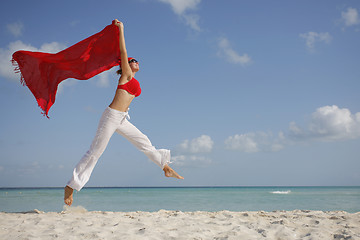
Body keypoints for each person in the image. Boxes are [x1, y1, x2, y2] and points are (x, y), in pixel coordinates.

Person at [64, 19, 183, 206]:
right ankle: (71, 186)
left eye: (136, 61)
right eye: (131, 61)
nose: (135, 62)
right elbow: (124, 52)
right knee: (96, 151)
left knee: (143, 141)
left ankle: (165, 167)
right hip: (111, 116)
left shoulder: (134, 79)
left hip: (122, 118)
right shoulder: (126, 75)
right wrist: (121, 29)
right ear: (125, 66)